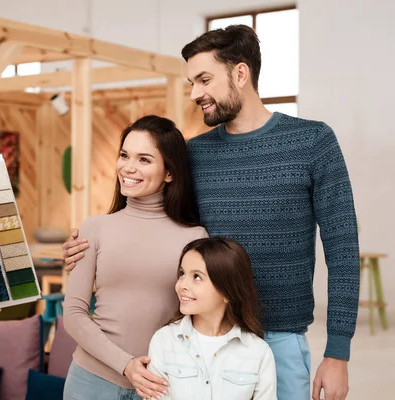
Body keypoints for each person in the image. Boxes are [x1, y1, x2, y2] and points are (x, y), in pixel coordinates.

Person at [62, 25, 360, 400]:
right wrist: (84, 246)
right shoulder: (195, 154)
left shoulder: (314, 142)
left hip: (281, 337)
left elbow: (344, 253)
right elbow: (158, 223)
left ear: (240, 73)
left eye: (204, 80)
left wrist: (338, 352)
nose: (194, 94)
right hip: (200, 340)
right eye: (191, 82)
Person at [62, 115, 208, 400]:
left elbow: (200, 318)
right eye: (125, 155)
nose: (128, 167)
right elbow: (73, 315)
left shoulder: (195, 238)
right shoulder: (95, 228)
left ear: (169, 172)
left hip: (161, 385)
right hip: (90, 382)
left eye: (144, 159)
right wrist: (126, 365)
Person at [147, 237, 276, 400]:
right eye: (182, 274)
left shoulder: (259, 352)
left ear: (227, 292)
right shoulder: (164, 341)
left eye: (197, 277)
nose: (182, 285)